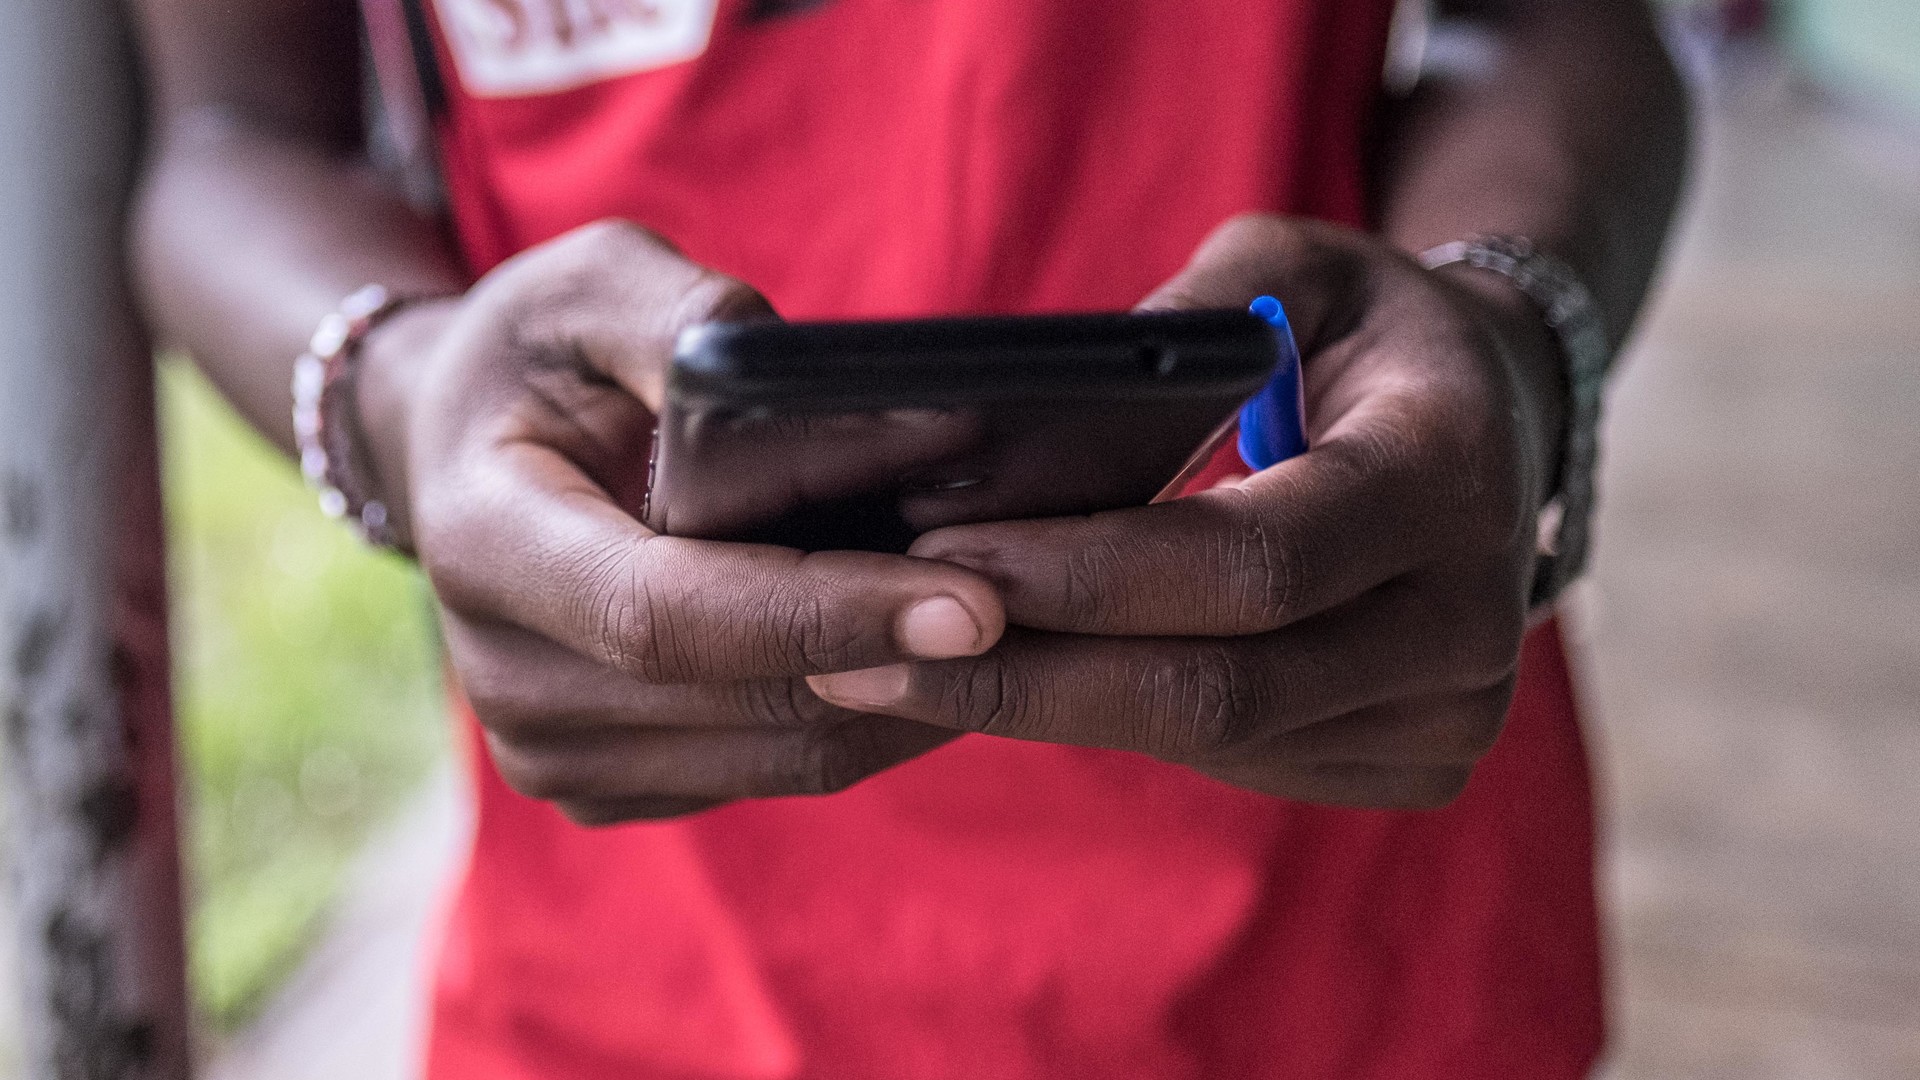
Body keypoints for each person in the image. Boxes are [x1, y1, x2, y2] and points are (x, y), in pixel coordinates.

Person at [129, 0, 1687, 1076]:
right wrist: (399, 391)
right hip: (628, 987)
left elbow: (1565, 25)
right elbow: (236, 137)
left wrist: (1505, 327)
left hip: (1359, 942)